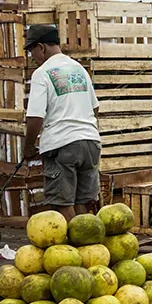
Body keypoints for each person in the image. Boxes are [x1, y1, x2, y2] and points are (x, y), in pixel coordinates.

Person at [22, 24, 102, 221]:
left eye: (32, 50)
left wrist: (29, 146)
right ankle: (87, 249)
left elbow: (35, 117)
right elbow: (95, 108)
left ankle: (69, 251)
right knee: (82, 202)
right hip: (90, 142)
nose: (32, 56)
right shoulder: (79, 69)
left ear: (41, 47)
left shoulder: (42, 73)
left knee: (62, 204)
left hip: (62, 145)